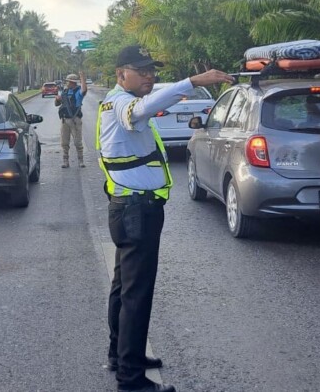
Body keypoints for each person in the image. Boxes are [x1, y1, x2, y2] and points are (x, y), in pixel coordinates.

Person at [97, 45, 233, 392]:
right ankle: (131, 379)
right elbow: (142, 109)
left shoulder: (119, 100)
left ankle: (120, 356)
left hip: (130, 208)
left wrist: (180, 89)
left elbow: (153, 101)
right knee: (136, 295)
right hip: (136, 211)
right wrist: (193, 81)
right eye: (141, 71)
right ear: (120, 74)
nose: (150, 76)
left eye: (152, 70)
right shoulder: (123, 105)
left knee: (123, 289)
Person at [55, 72, 88, 168]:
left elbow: (84, 90)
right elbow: (57, 104)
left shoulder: (78, 92)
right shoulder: (65, 91)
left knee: (78, 142)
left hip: (75, 120)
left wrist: (82, 78)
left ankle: (81, 160)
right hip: (65, 120)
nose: (67, 83)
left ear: (72, 82)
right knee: (64, 142)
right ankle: (65, 161)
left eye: (68, 82)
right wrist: (57, 99)